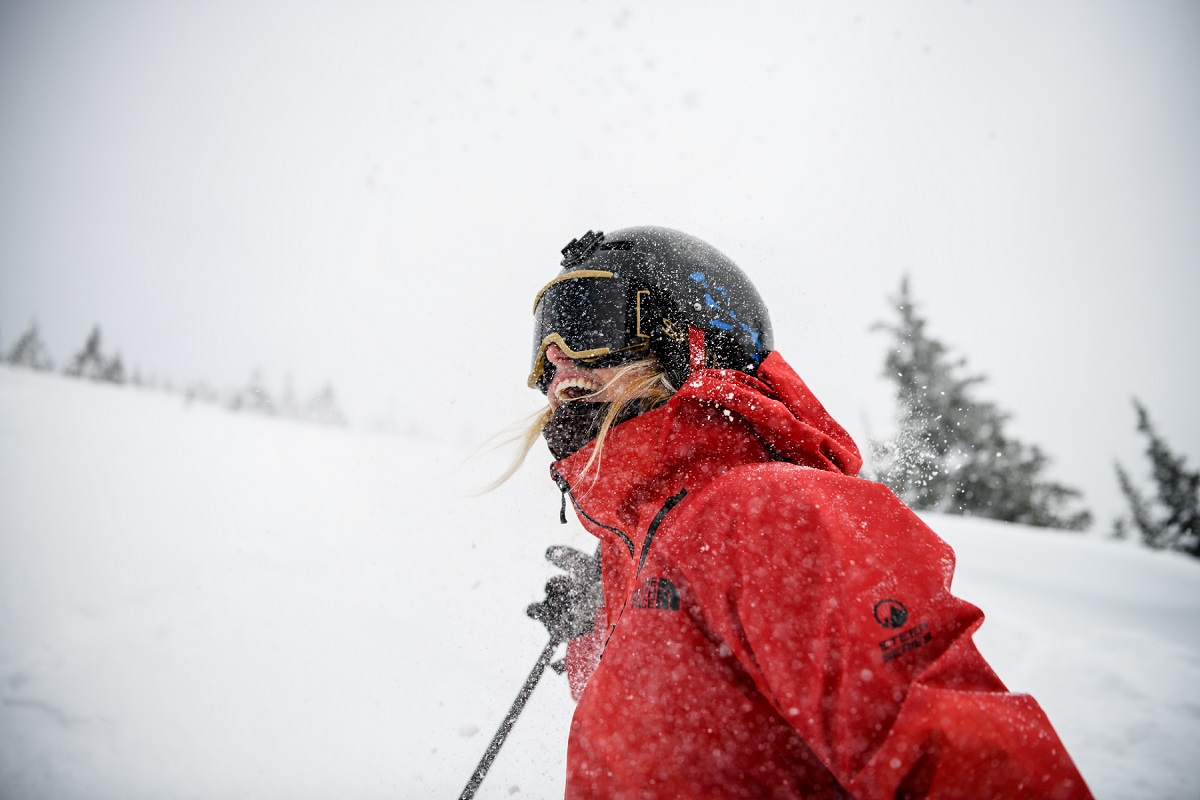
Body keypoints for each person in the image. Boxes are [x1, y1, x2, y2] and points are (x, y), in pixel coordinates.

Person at [519, 226, 1092, 799]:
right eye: (544, 334)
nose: (555, 357)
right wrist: (593, 636)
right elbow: (670, 724)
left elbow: (953, 753)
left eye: (587, 319)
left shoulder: (771, 514)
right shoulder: (639, 545)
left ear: (692, 341)